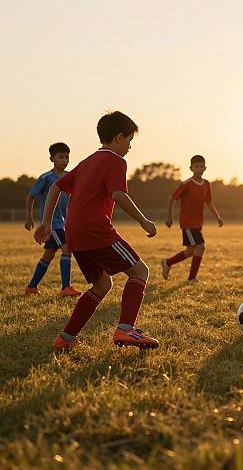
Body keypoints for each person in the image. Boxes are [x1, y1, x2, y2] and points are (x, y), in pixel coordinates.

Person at [34, 111, 159, 351]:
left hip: (74, 233)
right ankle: (126, 330)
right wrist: (143, 221)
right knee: (140, 271)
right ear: (119, 137)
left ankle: (66, 339)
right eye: (129, 142)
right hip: (96, 230)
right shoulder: (115, 160)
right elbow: (119, 194)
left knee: (102, 285)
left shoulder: (88, 161)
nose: (129, 148)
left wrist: (46, 222)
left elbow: (54, 189)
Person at [24, 142, 80, 297]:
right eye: (61, 157)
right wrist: (29, 218)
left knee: (48, 255)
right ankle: (65, 288)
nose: (65, 160)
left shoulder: (70, 177)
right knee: (67, 248)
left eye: (67, 157)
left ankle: (31, 287)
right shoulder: (46, 178)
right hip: (51, 224)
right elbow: (31, 196)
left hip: (63, 223)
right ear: (52, 159)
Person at [161, 155, 223, 283]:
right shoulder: (187, 184)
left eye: (201, 166)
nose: (199, 169)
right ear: (191, 168)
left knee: (190, 251)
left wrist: (217, 217)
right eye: (196, 166)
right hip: (188, 223)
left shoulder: (206, 184)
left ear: (205, 168)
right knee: (201, 247)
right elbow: (172, 198)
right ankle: (191, 278)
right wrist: (169, 217)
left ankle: (167, 262)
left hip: (198, 223)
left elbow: (209, 202)